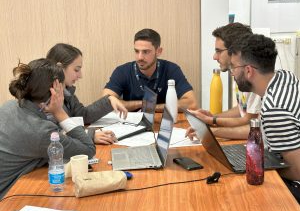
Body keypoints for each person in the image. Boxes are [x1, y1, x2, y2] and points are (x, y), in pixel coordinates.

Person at [0, 58, 96, 199]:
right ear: (54, 92)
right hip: (6, 198)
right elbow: (88, 149)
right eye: (62, 90)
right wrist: (59, 112)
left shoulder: (9, 106)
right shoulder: (40, 131)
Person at [229, 33, 300, 202]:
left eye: (233, 67)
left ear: (248, 71)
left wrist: (254, 166)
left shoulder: (275, 108)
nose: (232, 73)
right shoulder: (284, 77)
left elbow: (297, 172)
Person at [187, 23, 261, 140]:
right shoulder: (238, 72)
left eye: (219, 51)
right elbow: (242, 110)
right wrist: (211, 118)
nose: (214, 57)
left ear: (236, 51)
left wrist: (212, 124)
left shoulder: (253, 76)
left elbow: (249, 122)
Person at [47, 43, 128, 145]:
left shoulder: (66, 90)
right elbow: (51, 135)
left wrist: (109, 100)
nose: (80, 75)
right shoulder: (44, 96)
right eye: (76, 70)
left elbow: (82, 115)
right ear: (60, 68)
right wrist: (90, 135)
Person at [102, 28, 198, 111]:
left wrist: (151, 107)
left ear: (158, 51)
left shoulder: (171, 69)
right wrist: (142, 104)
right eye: (136, 51)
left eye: (145, 52)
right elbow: (106, 102)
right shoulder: (122, 71)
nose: (140, 57)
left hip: (164, 123)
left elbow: (191, 103)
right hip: (131, 125)